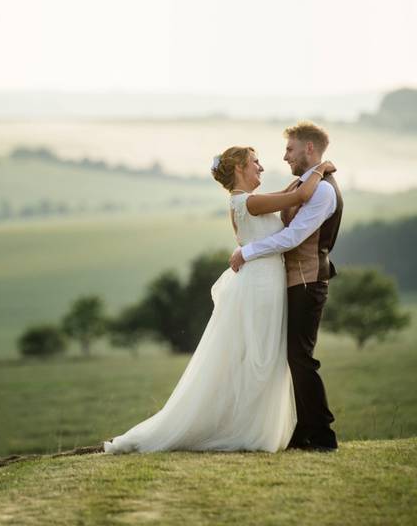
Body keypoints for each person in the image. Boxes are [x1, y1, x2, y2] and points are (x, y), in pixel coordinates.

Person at [103, 145, 335, 454]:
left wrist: (309, 175)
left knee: (264, 356)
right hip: (261, 285)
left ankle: (254, 427)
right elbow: (299, 196)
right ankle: (247, 430)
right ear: (239, 168)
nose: (261, 168)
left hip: (266, 281)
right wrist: (321, 168)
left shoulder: (249, 201)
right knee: (260, 357)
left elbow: (292, 191)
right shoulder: (250, 203)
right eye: (255, 162)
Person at [230, 121, 343, 451]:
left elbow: (294, 236)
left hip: (309, 281)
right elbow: (288, 200)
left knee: (301, 357)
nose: (284, 157)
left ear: (309, 148)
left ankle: (322, 434)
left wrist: (246, 252)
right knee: (294, 357)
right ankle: (304, 432)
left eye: (290, 149)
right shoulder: (306, 182)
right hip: (294, 282)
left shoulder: (322, 189)